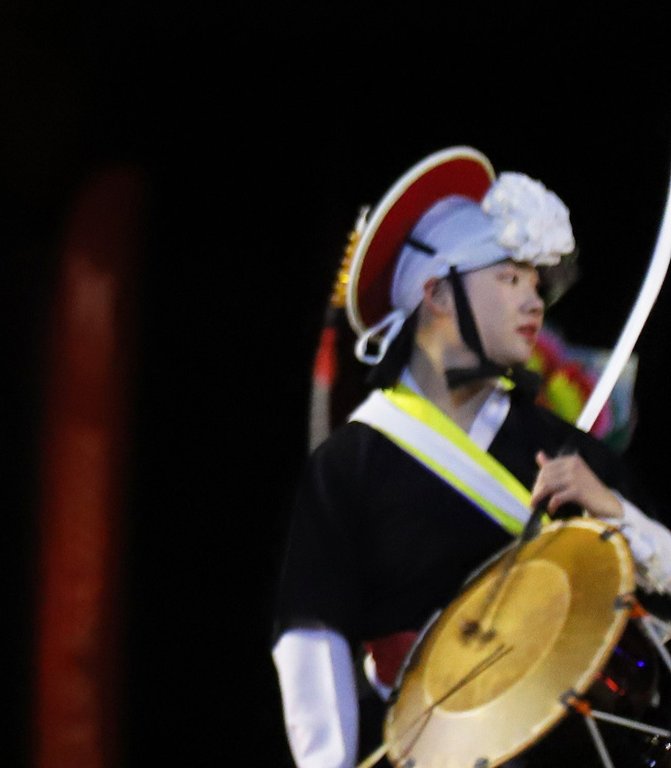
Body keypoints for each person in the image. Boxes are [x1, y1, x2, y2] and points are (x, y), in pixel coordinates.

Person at [271, 149, 671, 768]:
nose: (534, 303)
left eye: (536, 285)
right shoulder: (350, 465)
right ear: (435, 294)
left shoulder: (567, 450)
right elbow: (311, 635)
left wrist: (613, 508)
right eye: (509, 280)